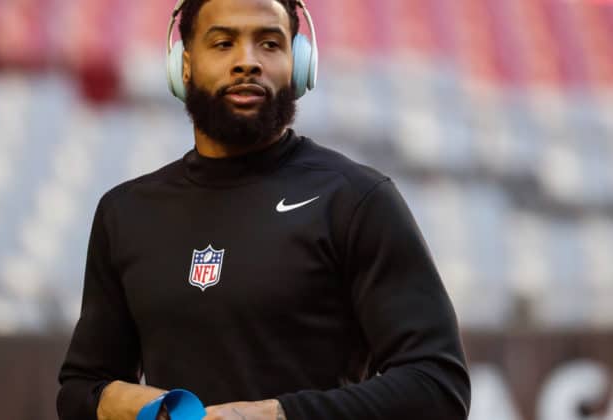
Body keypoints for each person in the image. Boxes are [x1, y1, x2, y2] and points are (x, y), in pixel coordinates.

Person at [57, 0, 471, 419]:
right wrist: (133, 406)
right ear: (183, 66)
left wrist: (278, 415)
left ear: (299, 64)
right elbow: (79, 389)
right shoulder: (125, 213)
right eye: (222, 43)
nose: (247, 62)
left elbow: (437, 386)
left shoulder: (357, 200)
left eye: (270, 44)